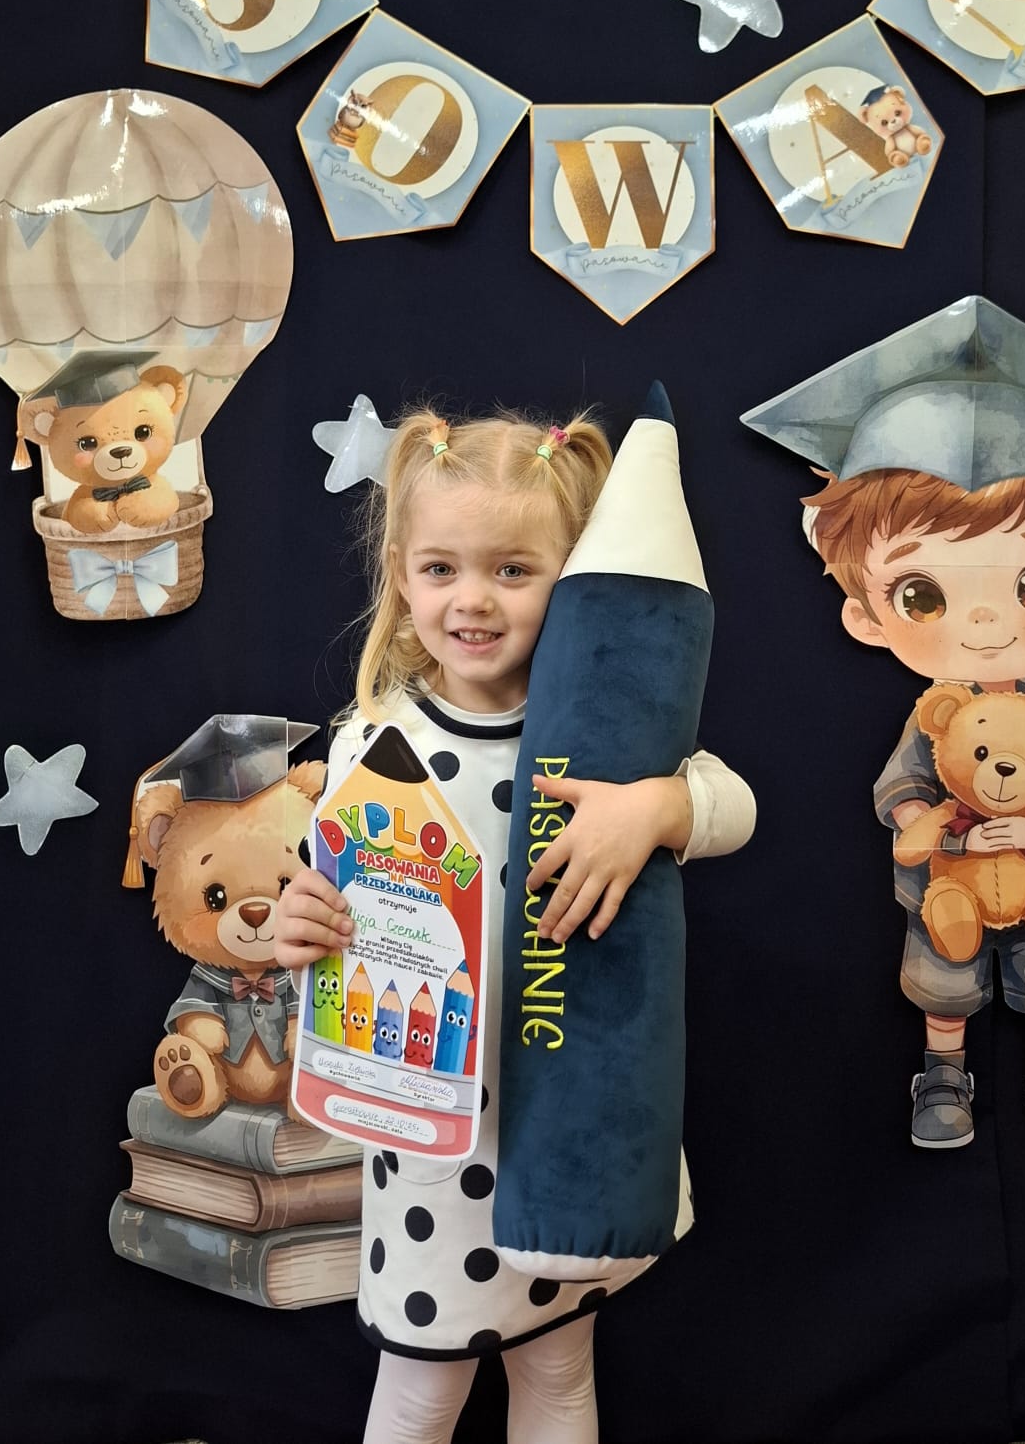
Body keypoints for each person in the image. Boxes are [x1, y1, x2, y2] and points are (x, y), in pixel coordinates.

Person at [276, 408, 754, 1444]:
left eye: (513, 570)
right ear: (402, 576)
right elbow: (326, 908)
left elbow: (735, 806)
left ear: (570, 581)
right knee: (421, 1389)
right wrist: (300, 928)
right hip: (437, 1145)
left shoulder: (603, 737)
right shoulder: (371, 741)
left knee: (560, 1371)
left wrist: (657, 809)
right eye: (441, 568)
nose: (473, 600)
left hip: (567, 1124)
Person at [741, 294, 1025, 1154]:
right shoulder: (934, 718)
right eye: (923, 594)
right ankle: (943, 1075)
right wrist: (935, 825)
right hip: (948, 883)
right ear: (867, 617)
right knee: (944, 982)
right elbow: (900, 793)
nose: (988, 622)